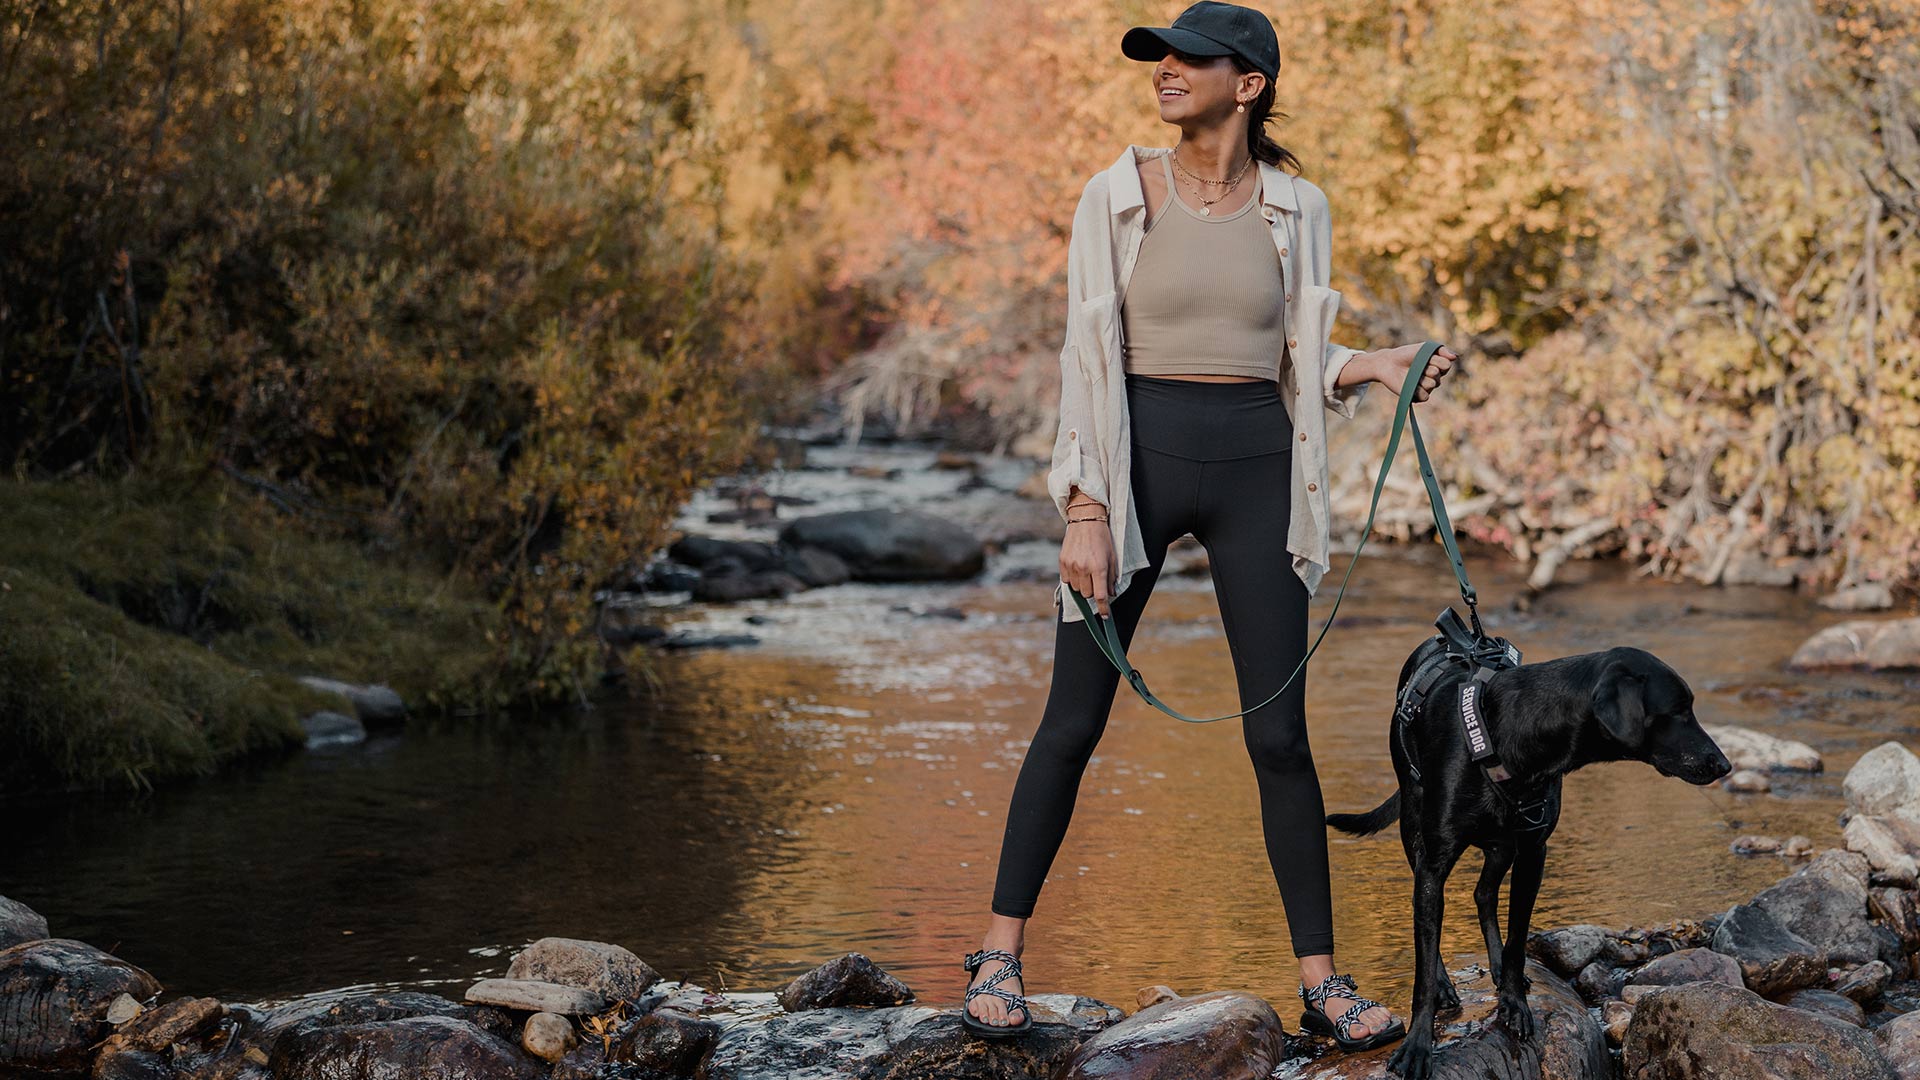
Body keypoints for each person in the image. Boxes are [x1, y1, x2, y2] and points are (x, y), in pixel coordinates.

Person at [959, 0, 1459, 1048]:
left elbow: (1291, 351)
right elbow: (1081, 360)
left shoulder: (1298, 206)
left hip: (1256, 466)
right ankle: (999, 955)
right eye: (1160, 57)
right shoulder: (1116, 193)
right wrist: (1085, 509)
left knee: (1279, 736)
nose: (1167, 71)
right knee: (1072, 723)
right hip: (1134, 460)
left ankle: (1323, 985)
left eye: (1192, 58)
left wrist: (1369, 366)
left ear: (1250, 84)